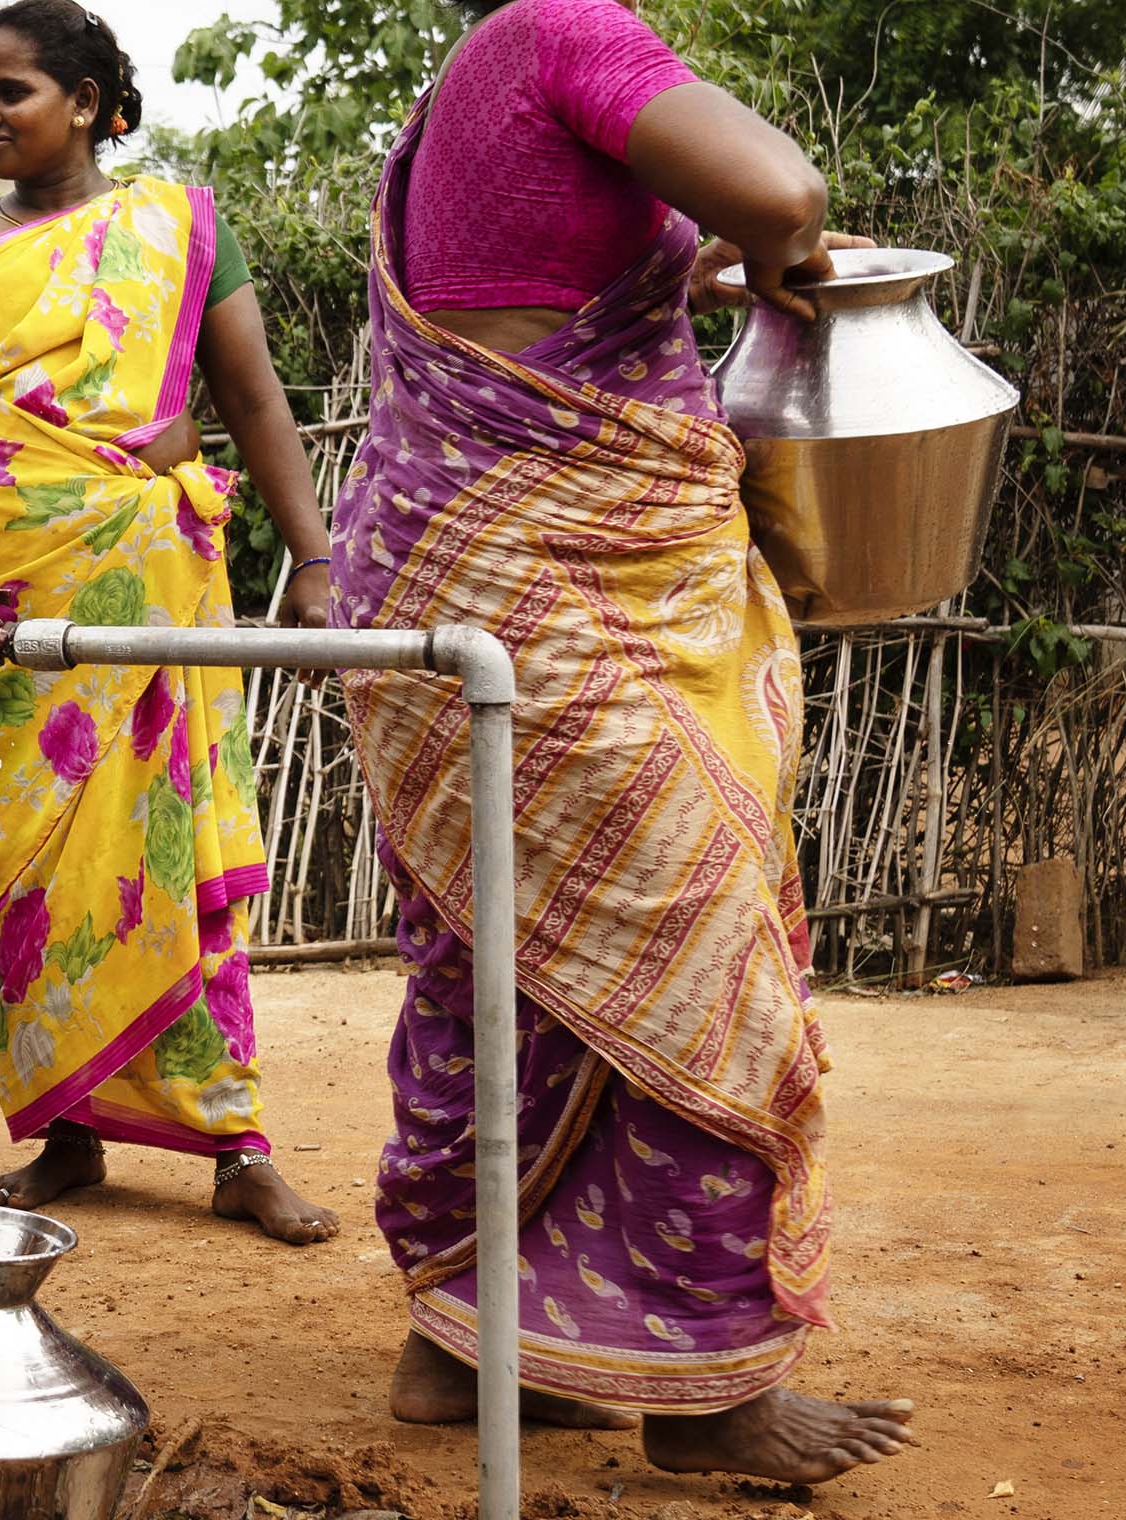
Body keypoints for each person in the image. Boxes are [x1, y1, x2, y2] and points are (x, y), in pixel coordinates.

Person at [330, 0, 916, 1485]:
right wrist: (773, 246)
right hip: (551, 573)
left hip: (453, 556)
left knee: (502, 957)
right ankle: (709, 1391)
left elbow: (526, 294)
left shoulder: (470, 75)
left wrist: (684, 266)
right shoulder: (560, 30)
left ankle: (459, 1342)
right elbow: (784, 187)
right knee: (694, 948)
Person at [0, 0, 340, 1246]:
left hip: (149, 580)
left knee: (173, 836)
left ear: (97, 105)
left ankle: (237, 1140)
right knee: (30, 858)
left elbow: (255, 399)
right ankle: (70, 1127)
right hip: (1, 591)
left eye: (13, 92)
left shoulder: (180, 231)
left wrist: (317, 556)